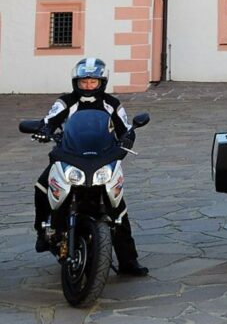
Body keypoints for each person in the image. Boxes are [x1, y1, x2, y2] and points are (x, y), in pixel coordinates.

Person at [33, 58, 148, 275]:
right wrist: (44, 130)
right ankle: (42, 231)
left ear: (102, 82)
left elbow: (126, 127)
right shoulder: (66, 102)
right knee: (42, 185)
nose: (88, 86)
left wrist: (127, 139)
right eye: (83, 82)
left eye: (92, 82)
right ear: (76, 82)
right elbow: (49, 119)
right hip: (70, 155)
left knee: (118, 208)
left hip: (102, 157)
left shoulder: (111, 103)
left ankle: (128, 261)